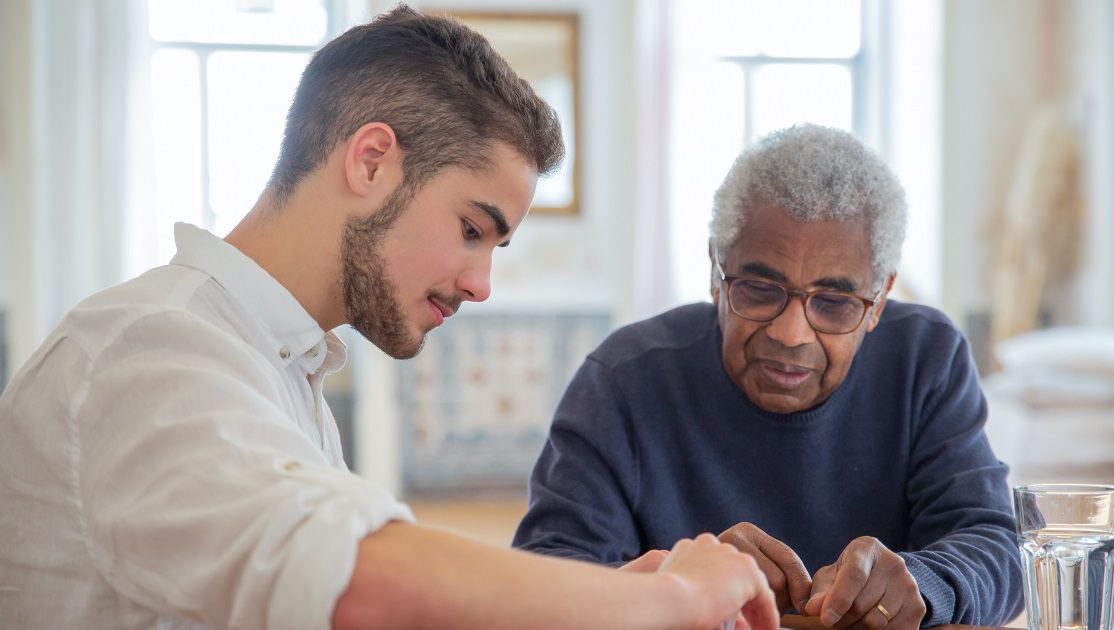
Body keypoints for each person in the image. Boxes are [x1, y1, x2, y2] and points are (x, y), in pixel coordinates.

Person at [0, 6, 779, 630]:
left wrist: (598, 598)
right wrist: (670, 601)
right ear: (371, 162)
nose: (482, 285)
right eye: (473, 229)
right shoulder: (148, 348)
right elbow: (359, 584)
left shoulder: (277, 365)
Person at [514, 124, 1024, 629]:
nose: (790, 333)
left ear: (879, 301)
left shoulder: (924, 360)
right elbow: (543, 580)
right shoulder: (624, 380)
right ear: (716, 271)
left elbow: (997, 546)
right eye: (759, 289)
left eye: (834, 303)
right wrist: (680, 583)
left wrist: (925, 582)